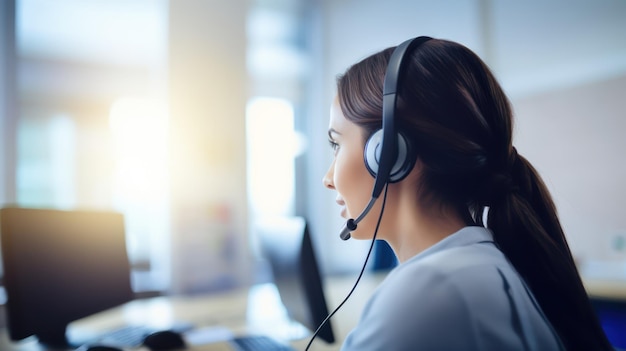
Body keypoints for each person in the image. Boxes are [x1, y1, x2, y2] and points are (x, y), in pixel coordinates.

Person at [322, 36, 612, 350]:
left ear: (389, 153)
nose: (328, 179)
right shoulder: (478, 263)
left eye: (337, 144)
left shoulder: (428, 293)